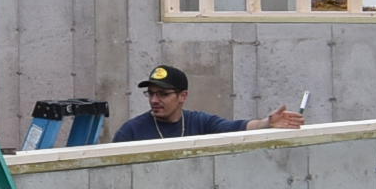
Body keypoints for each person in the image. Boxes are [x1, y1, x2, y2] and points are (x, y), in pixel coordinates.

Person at [109, 65, 306, 142]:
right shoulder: (131, 132)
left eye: (163, 94)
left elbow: (235, 127)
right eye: (150, 94)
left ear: (182, 96)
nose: (154, 100)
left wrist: (267, 123)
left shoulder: (200, 122)